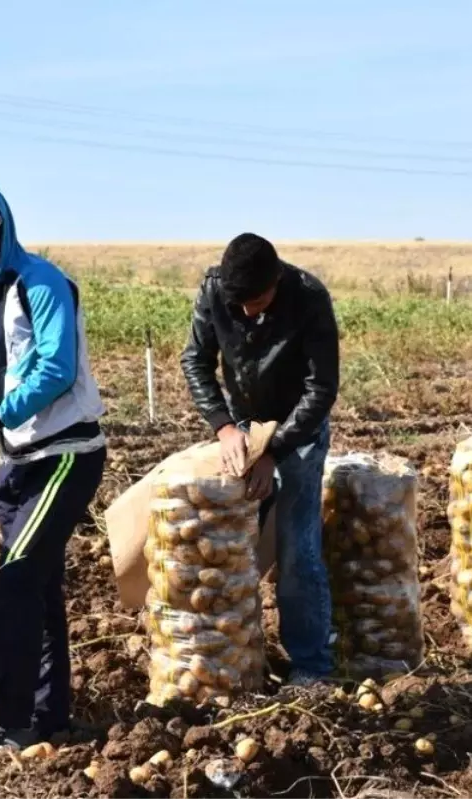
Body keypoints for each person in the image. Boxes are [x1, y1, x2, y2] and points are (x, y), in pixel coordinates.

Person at [0, 174, 107, 750]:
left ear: (5, 228)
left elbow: (56, 369)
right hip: (19, 461)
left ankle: (10, 724)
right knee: (37, 588)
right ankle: (50, 719)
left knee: (13, 584)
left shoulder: (40, 283)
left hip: (65, 453)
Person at [180, 232, 340, 685]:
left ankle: (311, 664)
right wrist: (224, 425)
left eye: (257, 301)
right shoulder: (216, 290)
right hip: (242, 427)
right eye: (239, 303)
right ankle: (235, 660)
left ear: (276, 280)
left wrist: (275, 450)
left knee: (297, 546)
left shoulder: (308, 298)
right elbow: (195, 360)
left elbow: (321, 389)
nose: (247, 311)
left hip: (298, 430)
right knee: (229, 546)